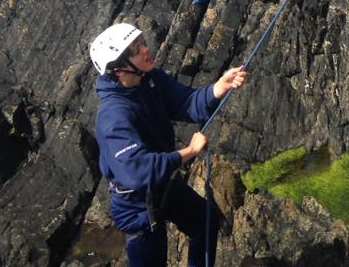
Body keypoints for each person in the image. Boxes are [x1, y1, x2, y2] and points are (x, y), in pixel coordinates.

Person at [90, 22, 248, 267]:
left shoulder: (149, 80)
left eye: (142, 42)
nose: (145, 49)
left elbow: (185, 102)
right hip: (137, 205)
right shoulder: (114, 115)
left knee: (205, 222)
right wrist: (190, 151)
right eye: (135, 49)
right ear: (119, 68)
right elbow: (137, 170)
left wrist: (219, 88)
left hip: (164, 185)